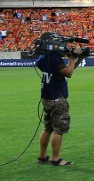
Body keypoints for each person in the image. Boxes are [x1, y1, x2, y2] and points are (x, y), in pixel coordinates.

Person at [36, 38, 84, 166]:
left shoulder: (43, 58)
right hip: (57, 98)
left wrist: (77, 59)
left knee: (48, 128)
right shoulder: (54, 59)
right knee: (58, 129)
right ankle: (56, 158)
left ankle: (42, 156)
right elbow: (68, 73)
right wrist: (72, 58)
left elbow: (67, 69)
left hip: (46, 98)